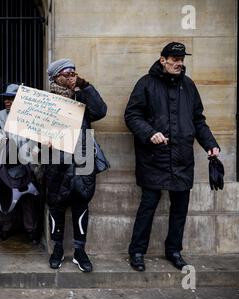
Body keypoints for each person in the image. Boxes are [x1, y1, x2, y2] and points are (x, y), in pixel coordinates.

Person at [124, 42, 220, 272]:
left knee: (180, 208)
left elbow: (198, 119)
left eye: (181, 60)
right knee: (148, 205)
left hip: (182, 157)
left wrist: (210, 144)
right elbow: (132, 115)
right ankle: (137, 251)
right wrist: (150, 134)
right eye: (174, 59)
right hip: (153, 157)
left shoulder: (188, 86)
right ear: (162, 60)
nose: (179, 63)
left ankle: (174, 250)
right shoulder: (145, 84)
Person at [45, 58, 107, 272]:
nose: (71, 75)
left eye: (73, 72)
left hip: (82, 161)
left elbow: (100, 111)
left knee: (82, 205)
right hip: (55, 162)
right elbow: (32, 130)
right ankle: (58, 248)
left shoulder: (82, 98)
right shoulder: (44, 103)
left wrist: (85, 86)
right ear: (55, 78)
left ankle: (80, 251)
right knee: (56, 207)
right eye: (66, 73)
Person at [0, 83, 41, 244]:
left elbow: (34, 139)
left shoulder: (30, 116)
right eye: (6, 99)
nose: (8, 101)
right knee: (6, 195)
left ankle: (31, 230)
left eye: (12, 98)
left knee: (27, 197)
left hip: (26, 163)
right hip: (7, 163)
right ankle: (5, 228)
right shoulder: (1, 115)